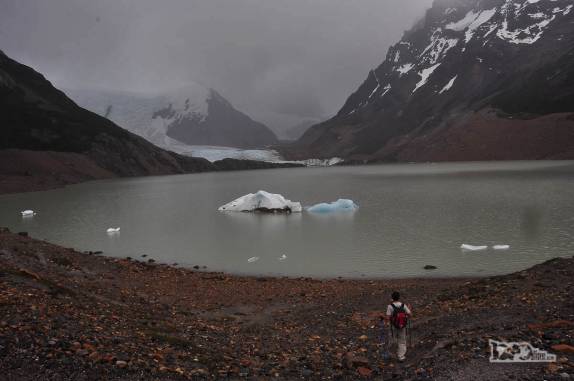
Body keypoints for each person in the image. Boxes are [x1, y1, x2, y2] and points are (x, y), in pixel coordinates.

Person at [384, 291, 412, 362]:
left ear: (392, 298)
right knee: (402, 340)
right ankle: (401, 356)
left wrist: (386, 322)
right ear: (399, 297)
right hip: (402, 325)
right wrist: (409, 309)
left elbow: (387, 317)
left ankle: (391, 354)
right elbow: (410, 315)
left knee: (392, 339)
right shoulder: (403, 305)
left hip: (393, 326)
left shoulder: (390, 306)